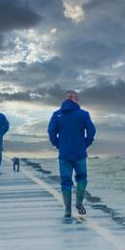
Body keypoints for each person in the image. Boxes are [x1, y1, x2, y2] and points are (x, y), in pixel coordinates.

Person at [47, 90, 96, 218]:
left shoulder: (57, 115)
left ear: (65, 99)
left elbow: (51, 132)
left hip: (64, 154)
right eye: (77, 98)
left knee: (65, 182)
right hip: (79, 152)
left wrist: (57, 144)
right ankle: (79, 203)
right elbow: (92, 131)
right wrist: (85, 143)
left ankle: (67, 210)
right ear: (74, 99)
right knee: (82, 178)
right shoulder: (83, 114)